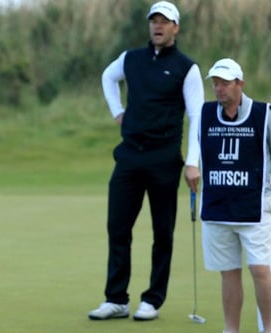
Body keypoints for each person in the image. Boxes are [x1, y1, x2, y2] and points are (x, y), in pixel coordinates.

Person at [89, 1, 205, 321]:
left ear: (175, 28)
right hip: (129, 156)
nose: (158, 26)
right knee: (118, 227)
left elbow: (196, 116)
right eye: (154, 21)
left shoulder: (186, 67)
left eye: (165, 22)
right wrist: (117, 111)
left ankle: (152, 299)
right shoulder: (131, 59)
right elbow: (107, 77)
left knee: (162, 232)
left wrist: (193, 162)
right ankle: (116, 299)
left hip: (165, 158)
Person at [195, 58, 271, 333]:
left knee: (260, 271)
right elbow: (196, 149)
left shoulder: (265, 114)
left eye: (225, 83)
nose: (219, 89)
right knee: (228, 272)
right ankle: (231, 330)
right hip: (217, 208)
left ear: (240, 84)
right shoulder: (204, 114)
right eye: (215, 83)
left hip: (255, 209)